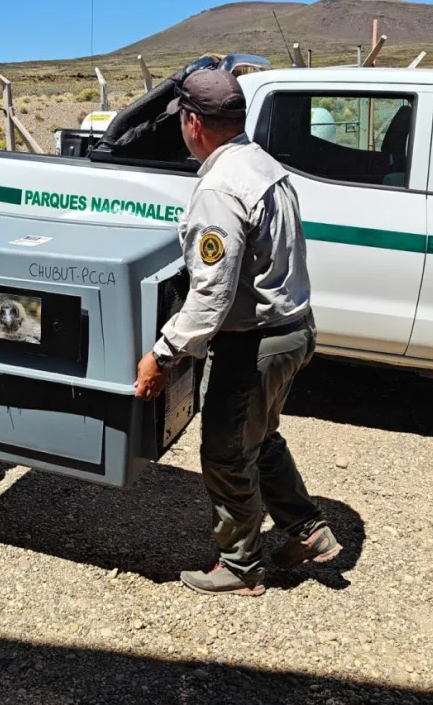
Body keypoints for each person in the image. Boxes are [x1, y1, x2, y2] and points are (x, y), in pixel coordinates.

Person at [134, 70, 341, 596]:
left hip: (254, 343)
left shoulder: (221, 188)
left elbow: (212, 293)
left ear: (194, 121)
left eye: (181, 119)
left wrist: (162, 353)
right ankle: (308, 532)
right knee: (259, 437)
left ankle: (241, 566)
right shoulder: (260, 163)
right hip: (294, 330)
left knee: (226, 452)